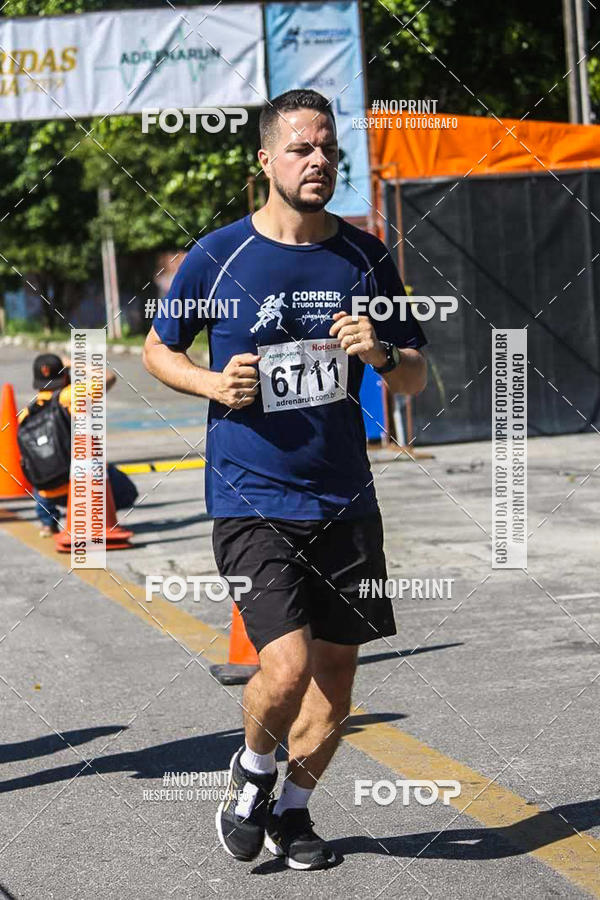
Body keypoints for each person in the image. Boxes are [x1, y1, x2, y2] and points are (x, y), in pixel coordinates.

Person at [143, 89, 428, 871]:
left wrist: (378, 352)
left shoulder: (365, 256)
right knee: (288, 665)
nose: (319, 162)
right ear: (266, 161)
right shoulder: (219, 254)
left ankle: (294, 813)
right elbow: (157, 349)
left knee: (336, 680)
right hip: (250, 494)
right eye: (302, 149)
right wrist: (208, 384)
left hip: (346, 498)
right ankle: (254, 772)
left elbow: (412, 379)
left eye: (329, 149)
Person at [19, 353, 138, 536]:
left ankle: (47, 522)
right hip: (80, 484)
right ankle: (96, 514)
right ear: (65, 375)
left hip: (48, 489)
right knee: (128, 491)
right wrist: (74, 363)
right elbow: (109, 377)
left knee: (39, 462)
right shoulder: (70, 396)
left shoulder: (26, 414)